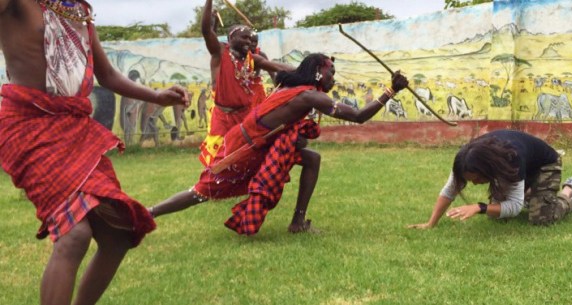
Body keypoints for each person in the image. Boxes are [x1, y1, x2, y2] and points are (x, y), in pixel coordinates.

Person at [0, 1, 189, 304]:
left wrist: (156, 96)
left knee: (119, 233)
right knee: (74, 235)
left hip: (75, 131)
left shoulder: (78, 12)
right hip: (28, 127)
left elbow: (108, 75)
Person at [149, 53, 409, 235]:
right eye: (331, 73)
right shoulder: (308, 96)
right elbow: (358, 116)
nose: (334, 79)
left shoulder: (288, 82)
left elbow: (278, 67)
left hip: (258, 144)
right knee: (201, 192)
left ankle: (298, 222)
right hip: (244, 150)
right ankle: (149, 213)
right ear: (318, 72)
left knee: (312, 159)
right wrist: (391, 91)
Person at [408, 129, 572, 229]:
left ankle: (571, 190)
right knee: (496, 216)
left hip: (545, 164)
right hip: (521, 167)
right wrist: (430, 223)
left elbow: (514, 207)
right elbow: (449, 190)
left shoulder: (511, 159)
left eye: (476, 179)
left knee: (541, 219)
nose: (474, 183)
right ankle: (532, 195)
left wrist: (480, 207)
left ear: (488, 170)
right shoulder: (465, 159)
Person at [198, 0, 295, 167]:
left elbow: (276, 66)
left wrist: (303, 71)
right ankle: (207, 191)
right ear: (231, 38)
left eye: (251, 39)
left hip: (245, 116)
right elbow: (206, 31)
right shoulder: (220, 52)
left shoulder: (253, 58)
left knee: (249, 157)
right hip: (223, 117)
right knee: (217, 163)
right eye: (244, 38)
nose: (249, 42)